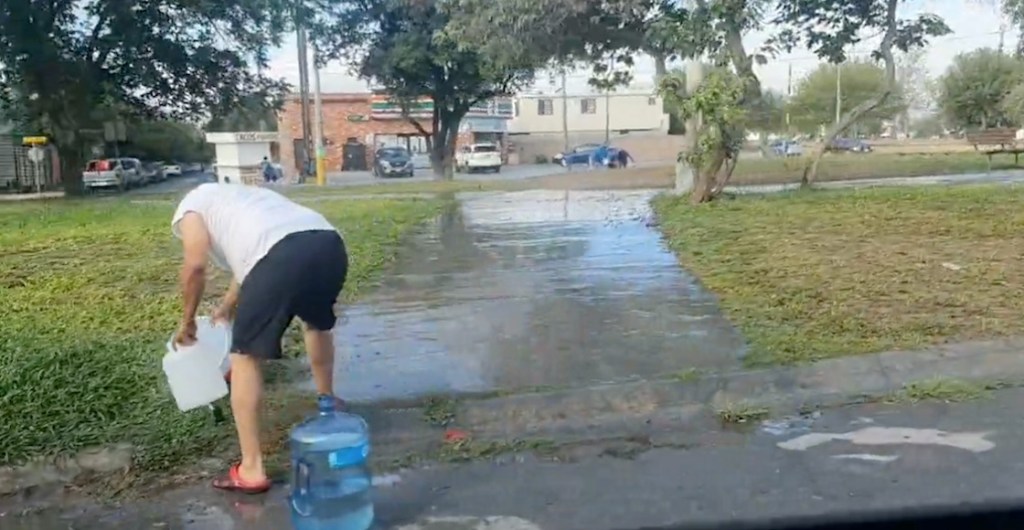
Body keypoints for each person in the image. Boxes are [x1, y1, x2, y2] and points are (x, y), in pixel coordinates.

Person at [172, 182, 348, 494]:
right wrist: (227, 307)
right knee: (315, 322)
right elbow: (253, 262)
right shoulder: (248, 199)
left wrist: (187, 321)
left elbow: (196, 265)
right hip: (328, 244)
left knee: (245, 356)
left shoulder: (191, 207)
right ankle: (327, 400)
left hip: (281, 255)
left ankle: (251, 469)